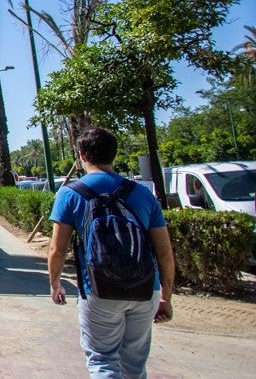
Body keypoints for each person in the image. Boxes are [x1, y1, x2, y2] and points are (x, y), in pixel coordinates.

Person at [47, 127, 175, 378]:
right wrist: (165, 297)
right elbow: (165, 254)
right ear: (114, 156)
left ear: (82, 155)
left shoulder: (70, 193)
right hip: (146, 289)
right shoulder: (142, 193)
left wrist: (55, 284)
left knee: (103, 360)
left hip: (98, 289)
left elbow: (56, 249)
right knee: (135, 364)